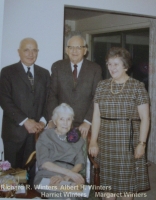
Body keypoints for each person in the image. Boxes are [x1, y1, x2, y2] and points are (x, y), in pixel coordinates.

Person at [89, 47, 150, 200]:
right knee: (107, 189)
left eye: (116, 64)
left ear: (125, 66)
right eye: (109, 64)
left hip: (127, 144)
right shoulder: (101, 86)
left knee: (125, 190)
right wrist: (93, 141)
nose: (112, 68)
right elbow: (96, 115)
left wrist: (142, 144)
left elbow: (145, 118)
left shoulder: (137, 87)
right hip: (106, 143)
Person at [0, 38, 50, 168]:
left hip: (36, 134)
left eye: (34, 50)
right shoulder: (7, 72)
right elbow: (4, 100)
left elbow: (48, 100)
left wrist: (43, 122)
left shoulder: (44, 73)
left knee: (33, 174)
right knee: (13, 176)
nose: (30, 54)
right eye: (26, 50)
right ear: (19, 52)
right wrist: (26, 121)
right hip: (14, 133)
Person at [47, 33, 102, 138]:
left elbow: (97, 97)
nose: (74, 51)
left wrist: (87, 121)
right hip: (61, 123)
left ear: (85, 50)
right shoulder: (57, 66)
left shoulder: (95, 69)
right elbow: (52, 95)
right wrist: (53, 119)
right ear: (66, 50)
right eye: (71, 47)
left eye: (78, 47)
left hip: (85, 126)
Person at [34, 103, 85, 199]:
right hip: (47, 174)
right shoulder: (46, 136)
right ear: (55, 121)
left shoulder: (77, 138)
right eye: (61, 119)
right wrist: (67, 173)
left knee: (72, 194)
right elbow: (44, 163)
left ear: (72, 121)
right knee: (59, 194)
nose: (65, 123)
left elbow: (80, 163)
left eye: (68, 119)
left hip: (71, 176)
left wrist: (66, 177)